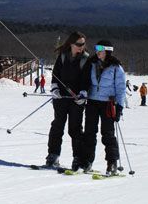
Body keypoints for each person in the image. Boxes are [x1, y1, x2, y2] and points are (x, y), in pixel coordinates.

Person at [45, 31, 90, 171]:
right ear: (71, 44)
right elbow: (55, 75)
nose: (81, 47)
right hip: (61, 99)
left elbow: (87, 79)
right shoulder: (63, 56)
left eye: (83, 44)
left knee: (75, 129)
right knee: (57, 126)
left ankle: (78, 158)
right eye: (79, 44)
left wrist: (83, 93)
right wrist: (54, 89)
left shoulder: (85, 59)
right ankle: (53, 155)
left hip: (77, 100)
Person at [83, 40, 126, 175]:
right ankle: (87, 161)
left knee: (107, 134)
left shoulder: (116, 68)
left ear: (107, 51)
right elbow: (85, 80)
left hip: (107, 103)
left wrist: (119, 106)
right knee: (89, 132)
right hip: (92, 101)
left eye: (100, 50)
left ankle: (112, 163)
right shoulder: (92, 63)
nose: (97, 52)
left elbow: (121, 88)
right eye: (96, 49)